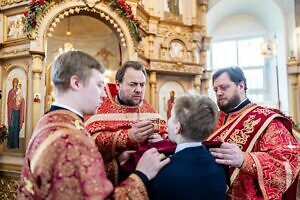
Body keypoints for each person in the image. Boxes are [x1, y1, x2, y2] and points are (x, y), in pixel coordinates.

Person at [18, 51, 170, 199]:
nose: (104, 94)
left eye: (142, 85)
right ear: (76, 83)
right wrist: (142, 175)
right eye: (99, 85)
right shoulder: (71, 140)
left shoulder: (51, 122)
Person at [209, 67, 300, 199]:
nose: (219, 93)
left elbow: (288, 163)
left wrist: (244, 159)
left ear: (241, 85)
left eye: (224, 87)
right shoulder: (214, 120)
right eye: (215, 89)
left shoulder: (267, 120)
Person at [85, 61, 168, 185]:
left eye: (142, 84)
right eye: (133, 84)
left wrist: (162, 142)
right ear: (118, 85)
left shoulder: (150, 112)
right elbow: (90, 145)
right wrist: (128, 137)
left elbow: (169, 139)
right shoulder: (99, 109)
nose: (139, 90)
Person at [149, 94, 227, 200]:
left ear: (178, 127)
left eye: (171, 117)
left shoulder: (163, 171)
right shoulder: (220, 164)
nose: (168, 121)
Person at [7, 77, 25, 149]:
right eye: (14, 82)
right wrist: (13, 97)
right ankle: (10, 144)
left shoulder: (19, 91)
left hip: (18, 112)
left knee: (16, 127)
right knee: (11, 127)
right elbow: (8, 102)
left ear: (17, 83)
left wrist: (21, 99)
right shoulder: (10, 92)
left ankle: (16, 144)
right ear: (12, 83)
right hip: (12, 112)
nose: (15, 83)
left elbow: (22, 100)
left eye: (16, 82)